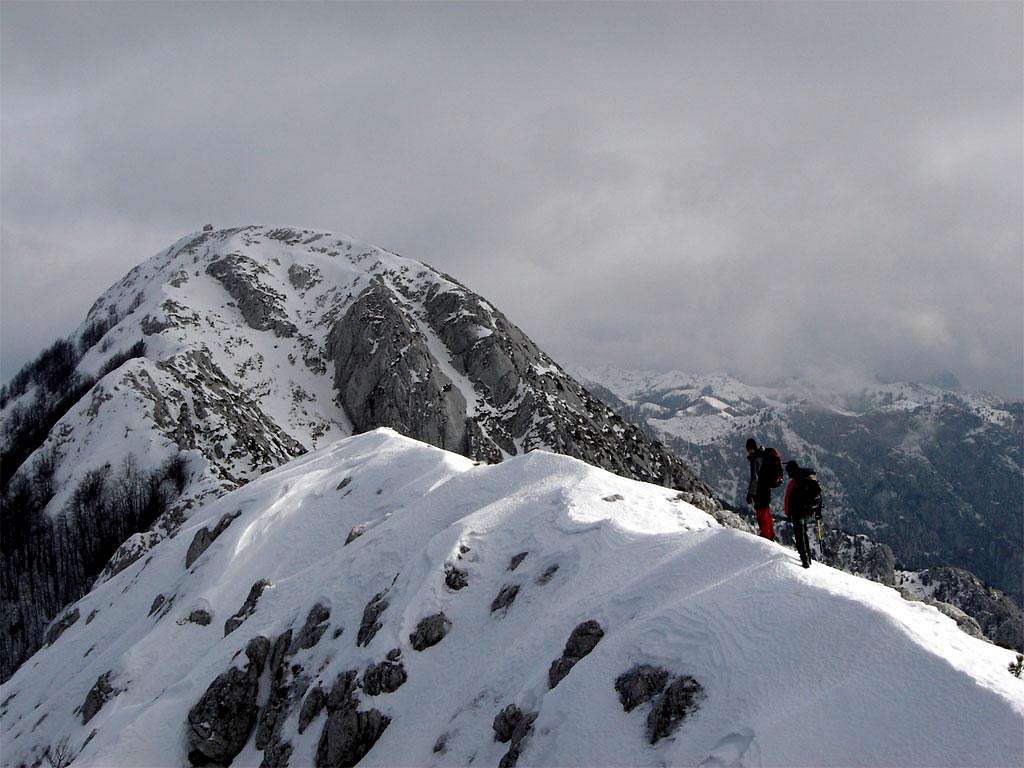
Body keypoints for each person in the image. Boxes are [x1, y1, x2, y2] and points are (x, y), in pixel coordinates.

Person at [783, 460, 821, 568]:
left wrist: (789, 512)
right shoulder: (805, 477)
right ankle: (808, 557)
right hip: (805, 510)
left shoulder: (796, 480)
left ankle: (804, 560)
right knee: (804, 534)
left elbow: (790, 498)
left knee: (799, 535)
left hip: (797, 511)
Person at [745, 437, 781, 541]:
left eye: (748, 449)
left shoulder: (756, 459)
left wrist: (750, 493)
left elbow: (755, 478)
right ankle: (770, 534)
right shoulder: (762, 456)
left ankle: (766, 536)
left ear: (750, 448)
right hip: (766, 488)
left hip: (760, 490)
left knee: (761, 513)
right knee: (766, 512)